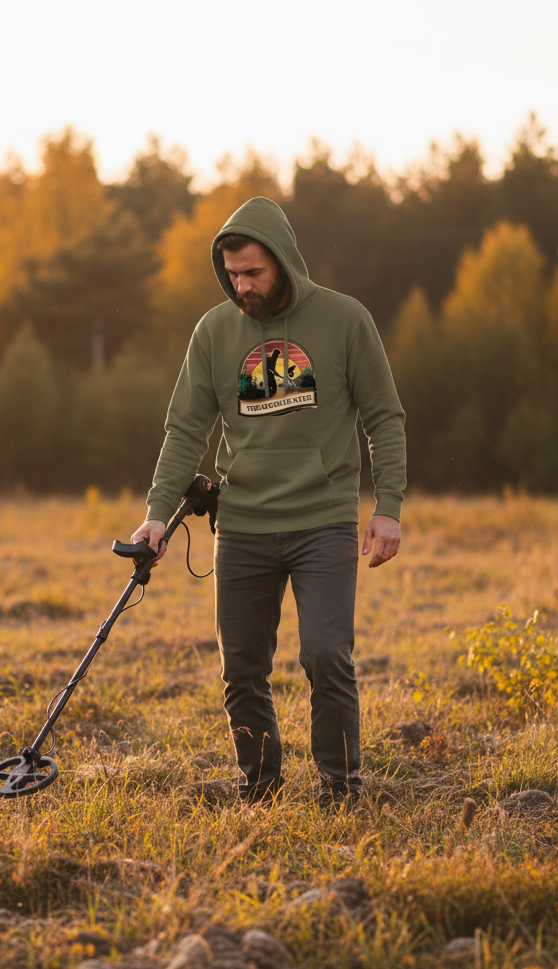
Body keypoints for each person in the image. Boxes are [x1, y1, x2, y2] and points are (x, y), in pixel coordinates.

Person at [131, 197, 405, 807]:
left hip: (323, 519)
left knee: (328, 654)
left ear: (282, 260)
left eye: (253, 272)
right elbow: (185, 430)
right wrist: (157, 513)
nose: (242, 286)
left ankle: (339, 788)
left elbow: (385, 418)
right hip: (244, 523)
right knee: (241, 669)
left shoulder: (345, 319)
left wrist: (388, 506)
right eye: (232, 275)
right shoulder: (214, 331)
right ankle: (260, 787)